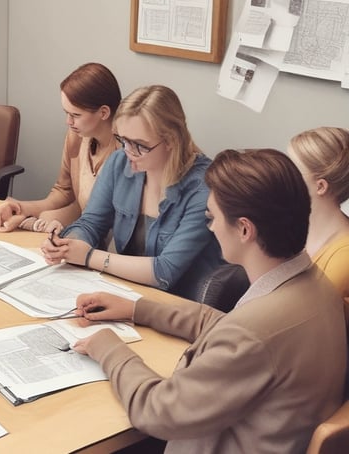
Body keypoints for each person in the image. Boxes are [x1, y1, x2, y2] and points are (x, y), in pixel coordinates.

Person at [71, 149, 347, 452]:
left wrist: (109, 348)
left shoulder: (252, 334)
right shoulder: (315, 285)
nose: (211, 227)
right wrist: (139, 309)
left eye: (212, 217)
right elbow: (233, 328)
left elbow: (157, 411)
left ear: (244, 229)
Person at [41, 85, 222, 300]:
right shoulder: (119, 162)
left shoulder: (204, 187)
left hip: (180, 304)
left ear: (171, 141)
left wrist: (88, 256)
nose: (128, 152)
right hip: (128, 293)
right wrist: (66, 244)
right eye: (123, 140)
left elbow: (165, 272)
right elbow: (91, 223)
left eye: (139, 145)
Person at [0, 62, 121, 234]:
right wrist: (18, 208)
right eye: (66, 113)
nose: (68, 122)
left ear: (103, 113)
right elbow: (65, 192)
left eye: (75, 115)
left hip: (107, 240)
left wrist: (40, 221)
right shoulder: (77, 137)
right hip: (84, 230)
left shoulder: (126, 153)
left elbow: (105, 220)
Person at [288, 126, 349, 319]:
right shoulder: (293, 228)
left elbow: (296, 320)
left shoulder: (343, 259)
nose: (281, 177)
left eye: (291, 171)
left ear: (320, 186)